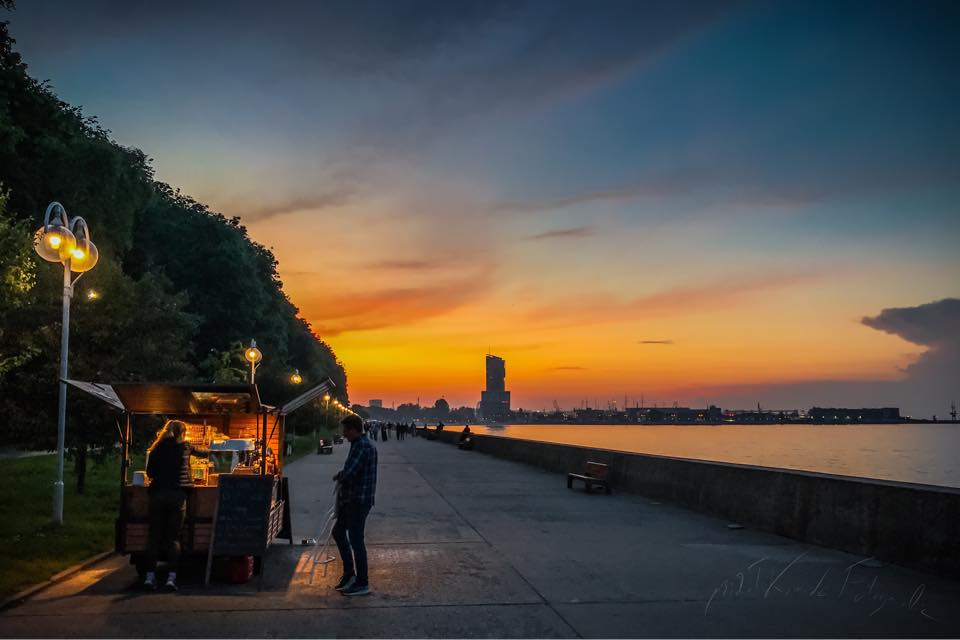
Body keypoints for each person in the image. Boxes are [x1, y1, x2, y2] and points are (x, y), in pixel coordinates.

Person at [143, 419, 209, 590]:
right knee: (173, 538)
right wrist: (210, 446)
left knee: (153, 537)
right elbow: (205, 453)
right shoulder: (185, 447)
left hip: (157, 495)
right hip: (177, 497)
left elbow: (150, 473)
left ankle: (149, 578)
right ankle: (171, 579)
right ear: (183, 433)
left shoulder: (156, 449)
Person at [332, 414, 378, 596]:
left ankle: (362, 582)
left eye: (345, 430)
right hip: (353, 500)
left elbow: (350, 473)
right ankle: (350, 573)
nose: (344, 434)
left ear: (353, 429)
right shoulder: (360, 445)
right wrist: (341, 474)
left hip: (358, 500)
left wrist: (342, 475)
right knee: (338, 532)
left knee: (356, 540)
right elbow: (353, 469)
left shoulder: (362, 446)